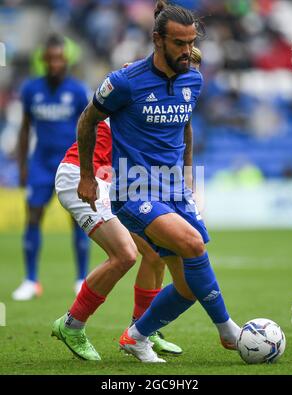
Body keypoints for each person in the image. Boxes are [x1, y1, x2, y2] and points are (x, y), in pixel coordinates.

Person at [74, 0, 240, 363]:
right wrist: (87, 176)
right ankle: (229, 331)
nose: (187, 51)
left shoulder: (193, 79)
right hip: (133, 190)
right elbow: (87, 121)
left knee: (187, 287)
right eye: (179, 43)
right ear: (157, 40)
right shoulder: (124, 82)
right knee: (193, 244)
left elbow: (186, 127)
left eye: (191, 42)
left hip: (175, 189)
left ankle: (136, 336)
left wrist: (188, 176)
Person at [50, 48, 202, 361]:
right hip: (84, 174)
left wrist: (186, 182)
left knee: (156, 253)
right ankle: (72, 324)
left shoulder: (172, 103)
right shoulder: (138, 87)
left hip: (117, 180)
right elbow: (94, 114)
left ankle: (142, 331)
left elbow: (184, 135)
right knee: (125, 254)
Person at [12, 35, 90, 301]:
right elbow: (24, 129)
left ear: (66, 60)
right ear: (44, 60)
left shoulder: (78, 91)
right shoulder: (31, 90)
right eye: (50, 58)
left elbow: (87, 130)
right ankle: (30, 280)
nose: (55, 63)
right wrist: (22, 165)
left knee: (78, 220)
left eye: (59, 58)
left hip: (71, 164)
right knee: (33, 216)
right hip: (41, 164)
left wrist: (88, 168)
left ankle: (81, 279)